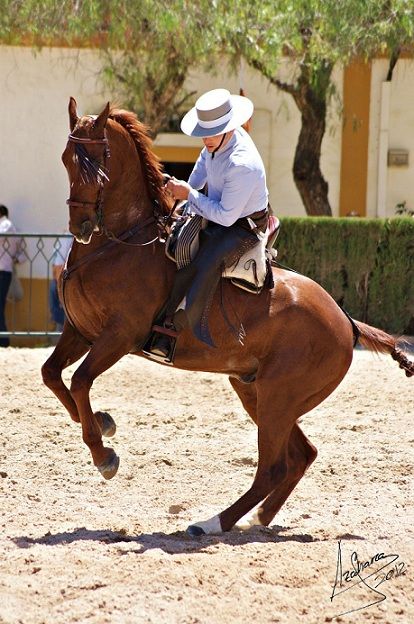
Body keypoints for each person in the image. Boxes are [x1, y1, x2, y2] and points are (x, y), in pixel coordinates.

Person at [149, 88, 269, 360]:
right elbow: (200, 171)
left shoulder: (243, 163)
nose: (206, 140)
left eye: (213, 133)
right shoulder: (213, 144)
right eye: (203, 133)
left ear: (229, 127)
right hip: (219, 212)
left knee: (202, 263)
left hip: (242, 227)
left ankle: (172, 330)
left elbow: (226, 216)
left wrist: (189, 195)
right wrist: (181, 196)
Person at [0, 205, 24, 347]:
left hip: (3, 271)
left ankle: (3, 342)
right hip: (5, 271)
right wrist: (14, 259)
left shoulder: (6, 225)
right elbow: (22, 255)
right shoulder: (12, 228)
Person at [49, 234, 73, 336]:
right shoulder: (67, 237)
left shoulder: (67, 237)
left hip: (62, 282)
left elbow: (58, 264)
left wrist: (60, 288)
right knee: (60, 314)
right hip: (61, 281)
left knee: (61, 315)